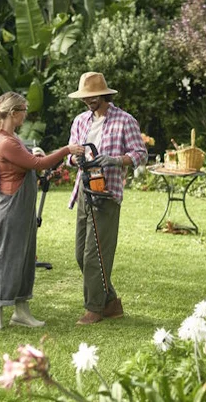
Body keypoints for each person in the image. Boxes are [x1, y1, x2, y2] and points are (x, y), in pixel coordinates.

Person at [0, 91, 85, 331]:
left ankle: (21, 312)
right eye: (23, 112)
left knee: (24, 258)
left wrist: (34, 154)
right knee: (7, 259)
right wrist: (66, 150)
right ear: (13, 113)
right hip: (11, 208)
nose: (26, 116)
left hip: (21, 208)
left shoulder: (12, 138)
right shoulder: (5, 141)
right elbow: (38, 165)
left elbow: (28, 161)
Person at [65, 72, 147, 325]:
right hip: (84, 192)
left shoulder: (125, 121)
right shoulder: (80, 121)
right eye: (84, 97)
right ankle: (111, 303)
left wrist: (115, 160)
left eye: (92, 96)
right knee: (82, 254)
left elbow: (140, 153)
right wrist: (74, 159)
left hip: (107, 193)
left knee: (96, 254)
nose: (88, 101)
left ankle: (94, 308)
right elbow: (70, 153)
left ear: (103, 95)